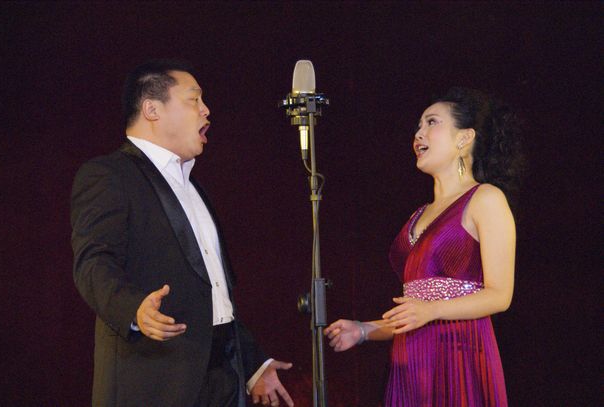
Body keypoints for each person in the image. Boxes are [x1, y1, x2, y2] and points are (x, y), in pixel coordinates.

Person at [71, 59, 294, 407]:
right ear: (152, 109)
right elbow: (93, 262)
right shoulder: (109, 175)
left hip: (220, 381)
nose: (206, 110)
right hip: (155, 380)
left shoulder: (194, 187)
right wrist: (133, 309)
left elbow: (213, 294)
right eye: (194, 99)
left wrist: (253, 363)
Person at [324, 87, 523, 406]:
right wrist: (363, 330)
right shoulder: (418, 215)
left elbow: (500, 295)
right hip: (411, 362)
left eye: (432, 122)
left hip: (458, 357)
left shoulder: (485, 198)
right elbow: (417, 310)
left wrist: (431, 310)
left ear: (464, 138)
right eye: (418, 126)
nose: (419, 133)